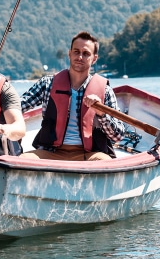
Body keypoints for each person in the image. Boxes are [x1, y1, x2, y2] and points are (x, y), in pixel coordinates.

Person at [20, 31, 127, 161]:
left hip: (89, 154)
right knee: (24, 159)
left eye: (86, 53)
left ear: (94, 58)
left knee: (104, 162)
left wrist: (101, 113)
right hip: (51, 152)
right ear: (69, 54)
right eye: (76, 52)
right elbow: (18, 107)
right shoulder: (47, 83)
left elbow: (118, 136)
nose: (80, 57)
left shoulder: (105, 90)